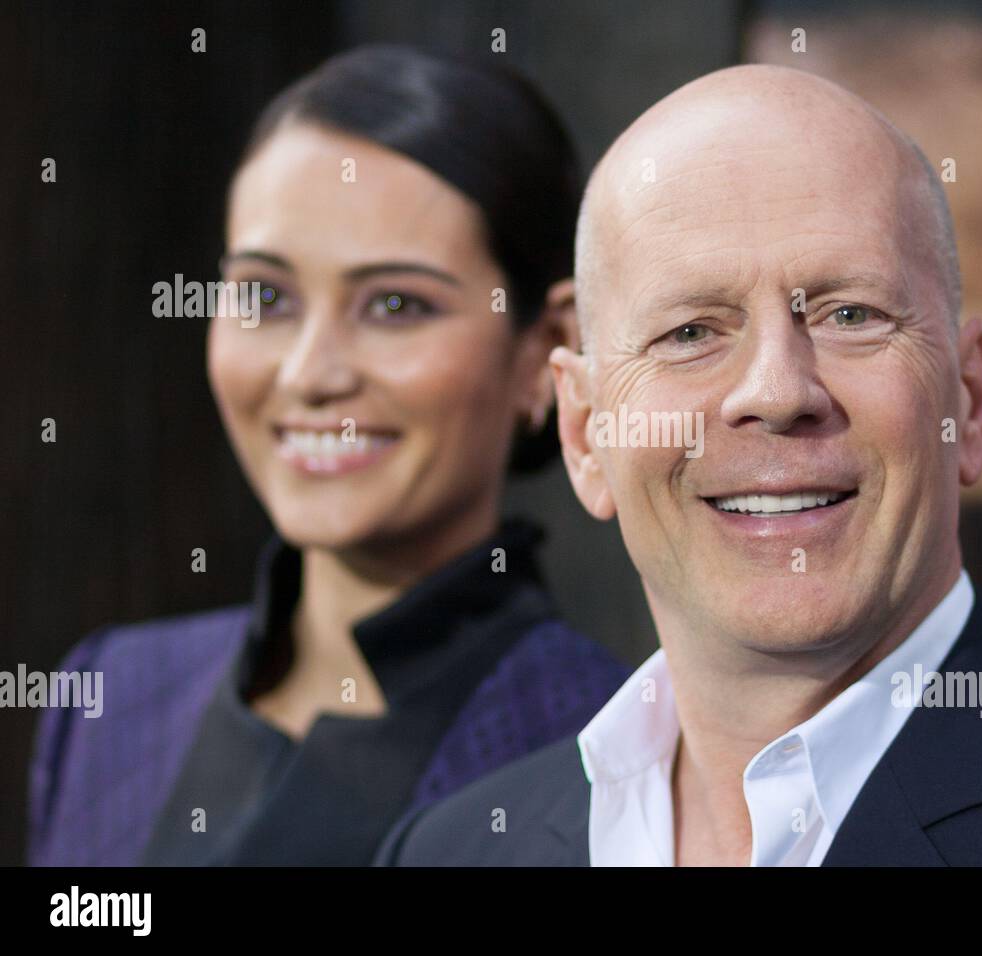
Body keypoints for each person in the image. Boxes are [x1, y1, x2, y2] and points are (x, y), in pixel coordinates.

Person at [378, 64, 982, 866]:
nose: (778, 391)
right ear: (583, 433)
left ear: (969, 404)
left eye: (850, 315)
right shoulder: (450, 852)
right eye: (691, 331)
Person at [27, 46, 629, 866]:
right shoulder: (111, 697)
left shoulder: (618, 753)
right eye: (265, 297)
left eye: (394, 305)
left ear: (547, 350)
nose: (309, 373)